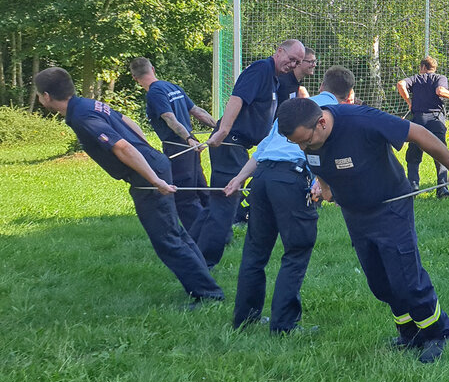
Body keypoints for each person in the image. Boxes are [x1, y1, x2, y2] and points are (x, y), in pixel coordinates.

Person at [278, 96, 449, 363]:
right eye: (296, 142)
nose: (302, 146)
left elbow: (419, 132)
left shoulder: (362, 120)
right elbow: (315, 160)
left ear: (321, 122)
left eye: (305, 140)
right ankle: (408, 334)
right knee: (380, 280)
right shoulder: (309, 137)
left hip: (391, 206)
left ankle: (435, 334)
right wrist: (324, 186)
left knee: (405, 275)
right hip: (355, 213)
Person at [33, 67, 224, 307]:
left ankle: (208, 294)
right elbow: (127, 121)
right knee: (175, 231)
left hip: (147, 175)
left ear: (47, 96)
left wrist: (155, 180)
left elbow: (122, 147)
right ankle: (204, 281)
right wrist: (149, 152)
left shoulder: (81, 116)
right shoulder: (87, 104)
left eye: (39, 95)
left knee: (166, 238)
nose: (40, 99)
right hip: (152, 165)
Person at [224, 67, 356, 334]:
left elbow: (263, 150)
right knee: (296, 250)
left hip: (261, 179)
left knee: (255, 250)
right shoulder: (332, 115)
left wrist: (239, 178)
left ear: (321, 86)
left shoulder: (296, 108)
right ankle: (284, 325)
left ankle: (245, 318)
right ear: (349, 94)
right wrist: (327, 184)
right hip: (290, 180)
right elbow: (332, 151)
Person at [191, 39, 304, 270]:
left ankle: (188, 249)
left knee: (218, 201)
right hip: (231, 143)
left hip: (239, 146)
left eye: (298, 62)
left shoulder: (274, 78)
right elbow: (237, 98)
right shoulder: (261, 69)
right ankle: (203, 265)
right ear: (279, 51)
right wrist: (223, 130)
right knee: (226, 203)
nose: (293, 64)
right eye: (292, 59)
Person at [130, 57, 217, 232]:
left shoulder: (154, 93)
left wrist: (188, 140)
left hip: (179, 146)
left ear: (134, 77)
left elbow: (170, 119)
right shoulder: (171, 87)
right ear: (152, 69)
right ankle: (220, 231)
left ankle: (202, 235)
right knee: (201, 190)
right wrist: (220, 128)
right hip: (191, 146)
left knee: (185, 196)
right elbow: (198, 112)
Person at [397, 56, 449, 198]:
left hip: (418, 120)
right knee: (440, 152)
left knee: (413, 154)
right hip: (435, 119)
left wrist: (409, 101)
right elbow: (440, 91)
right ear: (433, 68)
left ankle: (413, 187)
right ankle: (442, 187)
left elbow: (401, 84)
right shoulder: (440, 78)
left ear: (423, 68)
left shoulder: (415, 79)